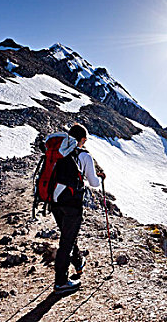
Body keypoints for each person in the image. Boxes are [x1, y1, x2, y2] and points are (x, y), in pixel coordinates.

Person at [51, 123, 105, 294]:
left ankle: (78, 261)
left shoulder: (58, 152)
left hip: (54, 200)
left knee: (68, 235)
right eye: (85, 140)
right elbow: (94, 182)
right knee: (66, 240)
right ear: (81, 139)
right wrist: (101, 177)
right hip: (71, 202)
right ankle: (60, 282)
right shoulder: (83, 156)